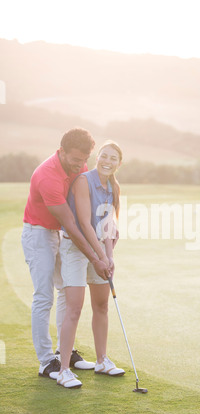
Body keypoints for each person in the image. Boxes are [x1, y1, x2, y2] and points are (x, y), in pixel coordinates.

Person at [22, 128, 111, 381]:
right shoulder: (47, 176)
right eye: (75, 160)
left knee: (64, 290)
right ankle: (46, 360)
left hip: (59, 232)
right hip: (38, 233)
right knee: (43, 296)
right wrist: (96, 258)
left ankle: (65, 351)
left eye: (84, 160)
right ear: (61, 151)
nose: (81, 165)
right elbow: (72, 223)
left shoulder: (80, 167)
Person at [57, 141, 124, 388]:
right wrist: (100, 258)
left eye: (113, 158)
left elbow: (108, 226)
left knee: (101, 305)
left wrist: (110, 256)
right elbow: (84, 224)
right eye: (104, 156)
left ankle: (102, 360)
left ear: (119, 163)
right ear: (97, 157)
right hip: (75, 248)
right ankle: (64, 370)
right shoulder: (84, 181)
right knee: (74, 308)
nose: (107, 161)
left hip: (99, 250)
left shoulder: (114, 186)